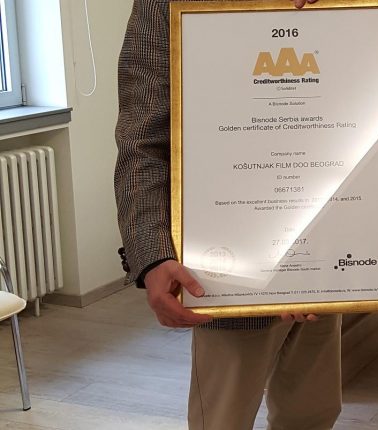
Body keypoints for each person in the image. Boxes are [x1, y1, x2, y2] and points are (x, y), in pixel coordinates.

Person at [114, 1, 342, 429]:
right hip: (228, 273)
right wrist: (152, 255)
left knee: (313, 414)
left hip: (324, 256)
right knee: (222, 421)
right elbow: (142, 140)